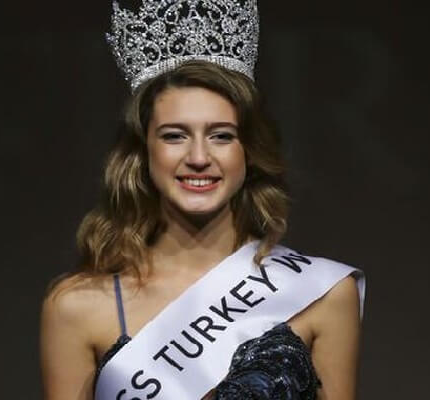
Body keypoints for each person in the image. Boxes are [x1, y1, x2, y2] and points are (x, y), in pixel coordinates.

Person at [39, 1, 365, 399]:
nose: (198, 157)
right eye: (175, 136)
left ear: (248, 151)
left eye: (221, 136)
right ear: (143, 151)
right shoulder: (77, 306)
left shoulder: (322, 292)